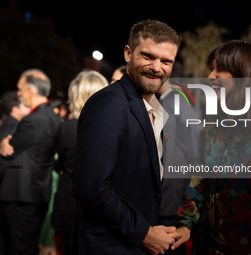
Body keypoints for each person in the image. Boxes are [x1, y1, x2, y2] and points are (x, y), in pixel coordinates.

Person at [171, 40, 251, 255]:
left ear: (246, 78)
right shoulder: (212, 130)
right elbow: (197, 182)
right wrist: (186, 225)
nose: (210, 76)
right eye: (212, 68)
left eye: (221, 69)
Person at [71, 19, 180, 255]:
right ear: (128, 53)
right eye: (148, 56)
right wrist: (145, 233)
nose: (156, 67)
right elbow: (91, 188)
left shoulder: (153, 108)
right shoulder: (109, 104)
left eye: (166, 61)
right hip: (109, 247)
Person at [0, 69, 61, 255]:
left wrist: (3, 143)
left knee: (21, 247)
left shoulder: (33, 120)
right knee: (28, 244)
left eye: (20, 89)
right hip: (39, 191)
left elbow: (10, 148)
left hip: (22, 193)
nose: (18, 94)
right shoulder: (54, 117)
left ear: (31, 91)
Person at [51, 70, 108, 255]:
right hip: (101, 207)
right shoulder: (109, 128)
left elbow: (56, 163)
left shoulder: (66, 128)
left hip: (69, 201)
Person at [157, 61, 200, 255]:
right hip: (172, 193)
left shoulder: (173, 102)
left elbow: (193, 145)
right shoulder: (171, 101)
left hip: (170, 194)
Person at [0, 91, 30, 255]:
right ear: (14, 109)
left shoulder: (2, 126)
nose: (28, 109)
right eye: (25, 106)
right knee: (8, 234)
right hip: (9, 187)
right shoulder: (15, 128)